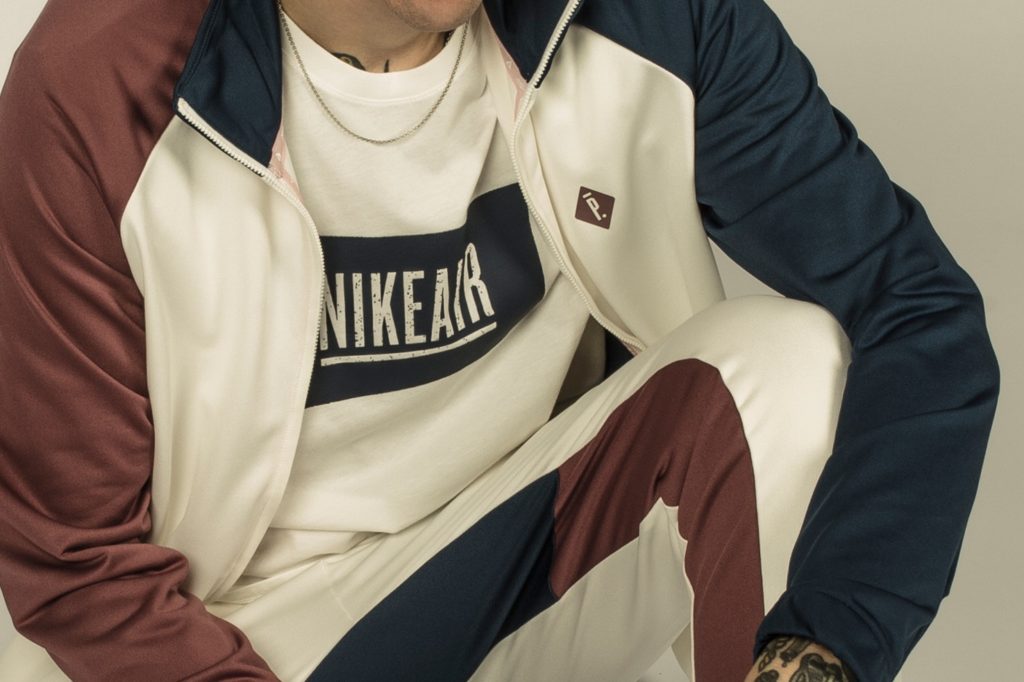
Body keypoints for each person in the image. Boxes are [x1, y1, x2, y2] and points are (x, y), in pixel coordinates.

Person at [0, 0, 1000, 680]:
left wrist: (822, 651)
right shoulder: (99, 78)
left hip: (526, 564)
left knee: (790, 364)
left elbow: (913, 305)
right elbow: (77, 565)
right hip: (239, 633)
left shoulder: (647, 17)